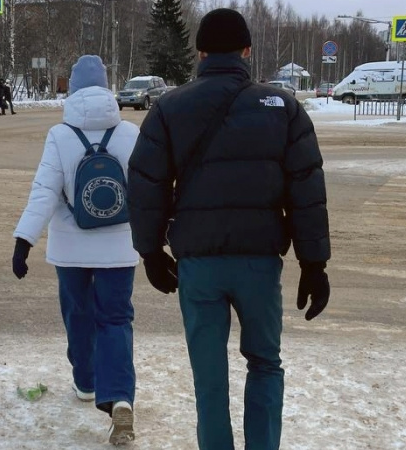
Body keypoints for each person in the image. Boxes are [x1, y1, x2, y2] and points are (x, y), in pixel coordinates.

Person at [127, 9, 331, 450]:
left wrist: (149, 252)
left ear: (200, 52)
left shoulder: (169, 107)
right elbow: (306, 189)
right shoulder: (283, 108)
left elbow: (146, 184)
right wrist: (314, 264)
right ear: (247, 51)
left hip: (198, 266)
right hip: (259, 263)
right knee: (264, 363)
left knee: (209, 378)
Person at [12, 55, 140, 445]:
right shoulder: (130, 134)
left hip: (70, 249)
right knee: (115, 320)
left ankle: (86, 382)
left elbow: (45, 193)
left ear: (73, 88)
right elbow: (148, 192)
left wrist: (24, 241)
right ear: (106, 89)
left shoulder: (60, 135)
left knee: (77, 315)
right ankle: (119, 397)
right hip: (120, 247)